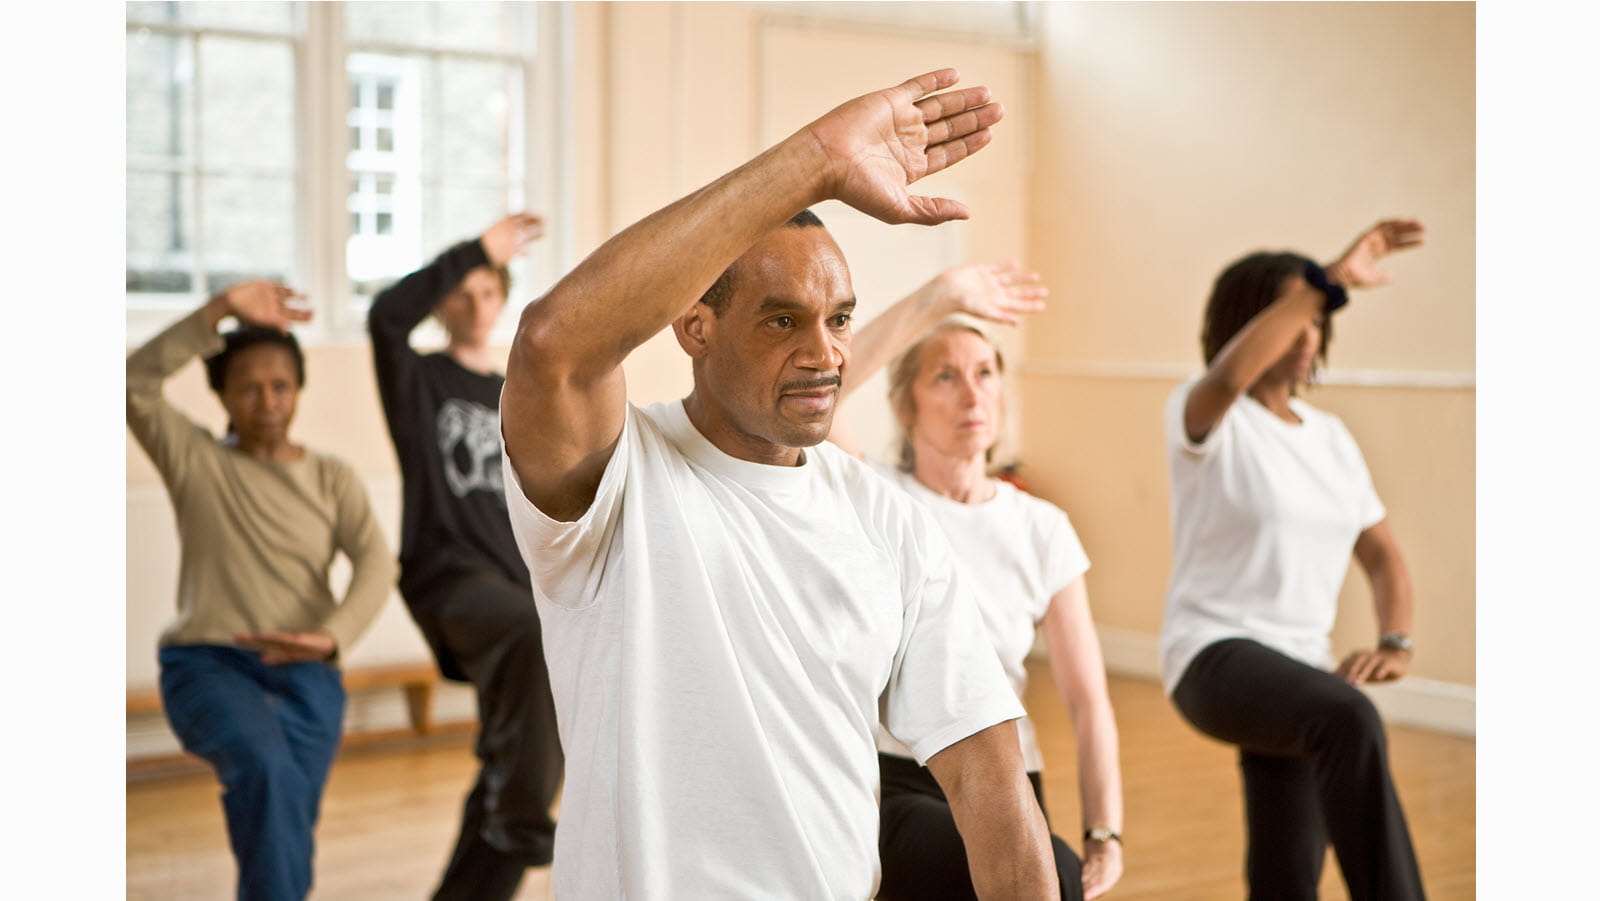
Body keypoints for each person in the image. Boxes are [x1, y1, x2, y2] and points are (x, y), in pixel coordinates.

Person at [499, 68, 1057, 898]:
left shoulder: (887, 522)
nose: (826, 353)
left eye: (839, 320)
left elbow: (988, 773)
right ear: (696, 324)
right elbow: (552, 341)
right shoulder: (617, 480)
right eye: (782, 319)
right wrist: (820, 157)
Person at [829, 263, 1125, 901]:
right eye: (945, 376)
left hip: (1010, 779)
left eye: (985, 374)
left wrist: (1106, 829)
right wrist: (935, 300)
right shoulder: (875, 495)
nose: (972, 394)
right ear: (905, 404)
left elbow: (1088, 699)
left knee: (1058, 874)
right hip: (900, 779)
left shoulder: (1042, 527)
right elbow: (830, 388)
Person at [1160, 219, 1429, 900]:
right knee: (1349, 718)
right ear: (1251, 324)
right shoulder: (1205, 412)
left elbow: (1384, 557)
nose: (1310, 332)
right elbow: (1227, 377)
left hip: (1299, 667)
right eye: (1294, 315)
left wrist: (1395, 640)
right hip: (1214, 654)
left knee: (1286, 875)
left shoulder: (1332, 439)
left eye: (1319, 320)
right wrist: (1329, 280)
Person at [126, 281, 397, 901]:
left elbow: (377, 563)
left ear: (299, 389)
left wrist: (331, 637)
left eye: (280, 385)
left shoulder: (332, 477)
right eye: (247, 387)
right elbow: (132, 383)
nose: (267, 401)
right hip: (208, 665)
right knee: (271, 777)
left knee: (286, 815)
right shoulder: (197, 460)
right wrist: (218, 309)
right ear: (220, 394)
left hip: (308, 671)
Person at [366, 212, 562, 900]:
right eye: (462, 291)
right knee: (531, 643)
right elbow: (386, 317)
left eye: (488, 291)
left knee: (515, 751)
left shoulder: (518, 391)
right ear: (442, 299)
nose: (476, 306)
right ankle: (524, 819)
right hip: (450, 581)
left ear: (505, 300)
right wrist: (478, 250)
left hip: (516, 585)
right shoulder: (418, 381)